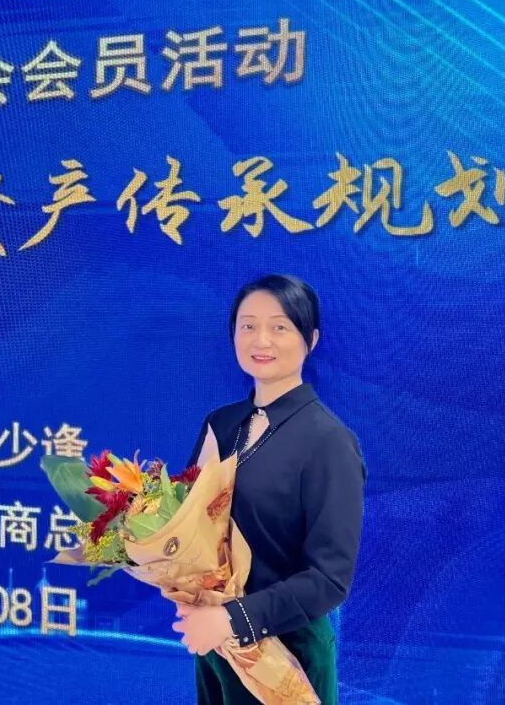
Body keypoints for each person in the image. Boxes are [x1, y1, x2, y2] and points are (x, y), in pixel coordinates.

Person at [171, 274, 366, 704]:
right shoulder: (220, 424)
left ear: (311, 339)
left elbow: (329, 579)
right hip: (217, 650)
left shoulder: (329, 442)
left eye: (280, 327)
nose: (261, 340)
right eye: (248, 326)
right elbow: (186, 526)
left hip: (286, 658)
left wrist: (232, 619)